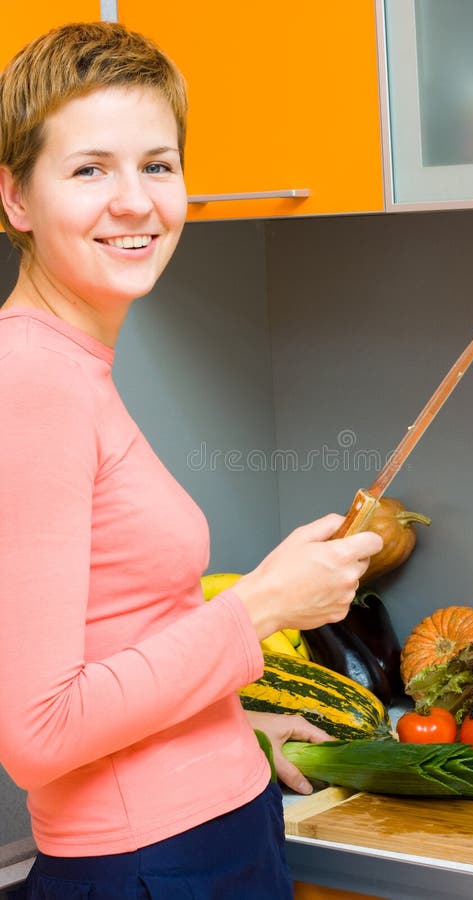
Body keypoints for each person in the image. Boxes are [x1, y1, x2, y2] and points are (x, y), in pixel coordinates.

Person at [0, 21, 383, 900]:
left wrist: (232, 724)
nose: (135, 201)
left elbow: (115, 641)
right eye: (90, 168)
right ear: (17, 198)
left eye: (158, 165)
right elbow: (38, 730)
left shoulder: (70, 365)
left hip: (207, 829)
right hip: (154, 866)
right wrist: (262, 607)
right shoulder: (32, 380)